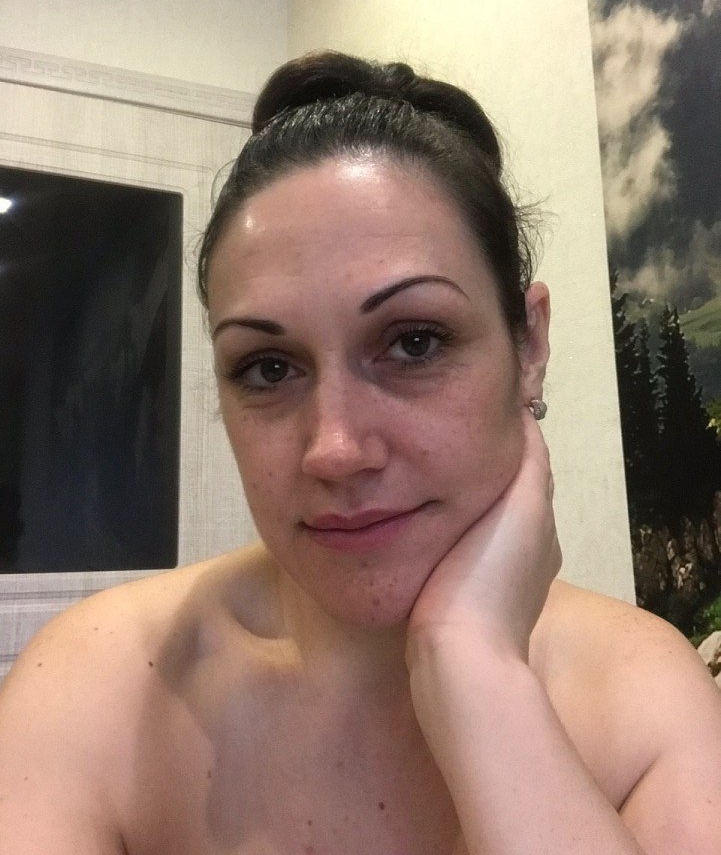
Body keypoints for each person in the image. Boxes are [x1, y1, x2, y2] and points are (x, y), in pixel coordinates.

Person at [1, 51, 720, 855]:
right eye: (268, 368)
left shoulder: (645, 704)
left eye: (414, 342)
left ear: (529, 346)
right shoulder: (95, 689)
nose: (335, 450)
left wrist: (476, 672)